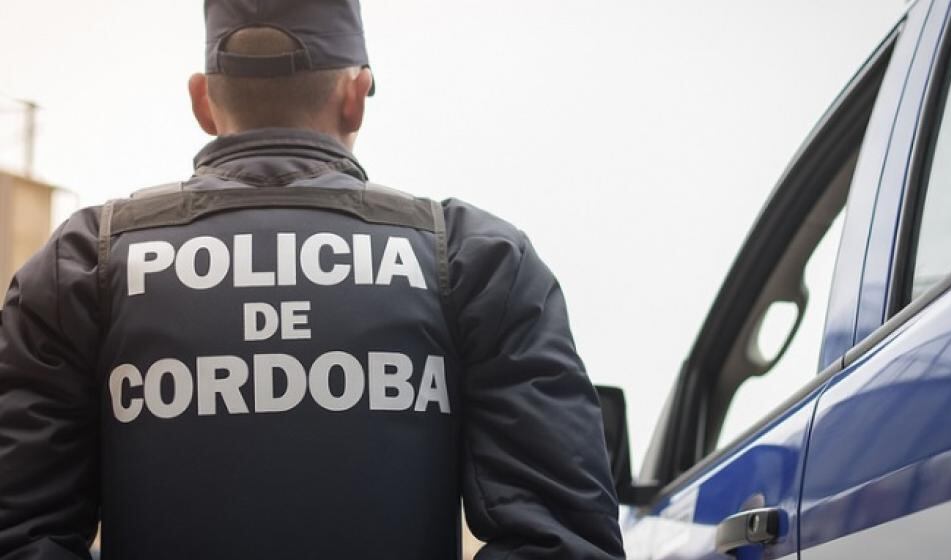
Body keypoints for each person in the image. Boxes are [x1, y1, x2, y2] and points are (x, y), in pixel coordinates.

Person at [0, 1, 625, 559]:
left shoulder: (86, 264)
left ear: (202, 101)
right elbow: (563, 540)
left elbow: (17, 532)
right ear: (356, 93)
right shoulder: (477, 261)